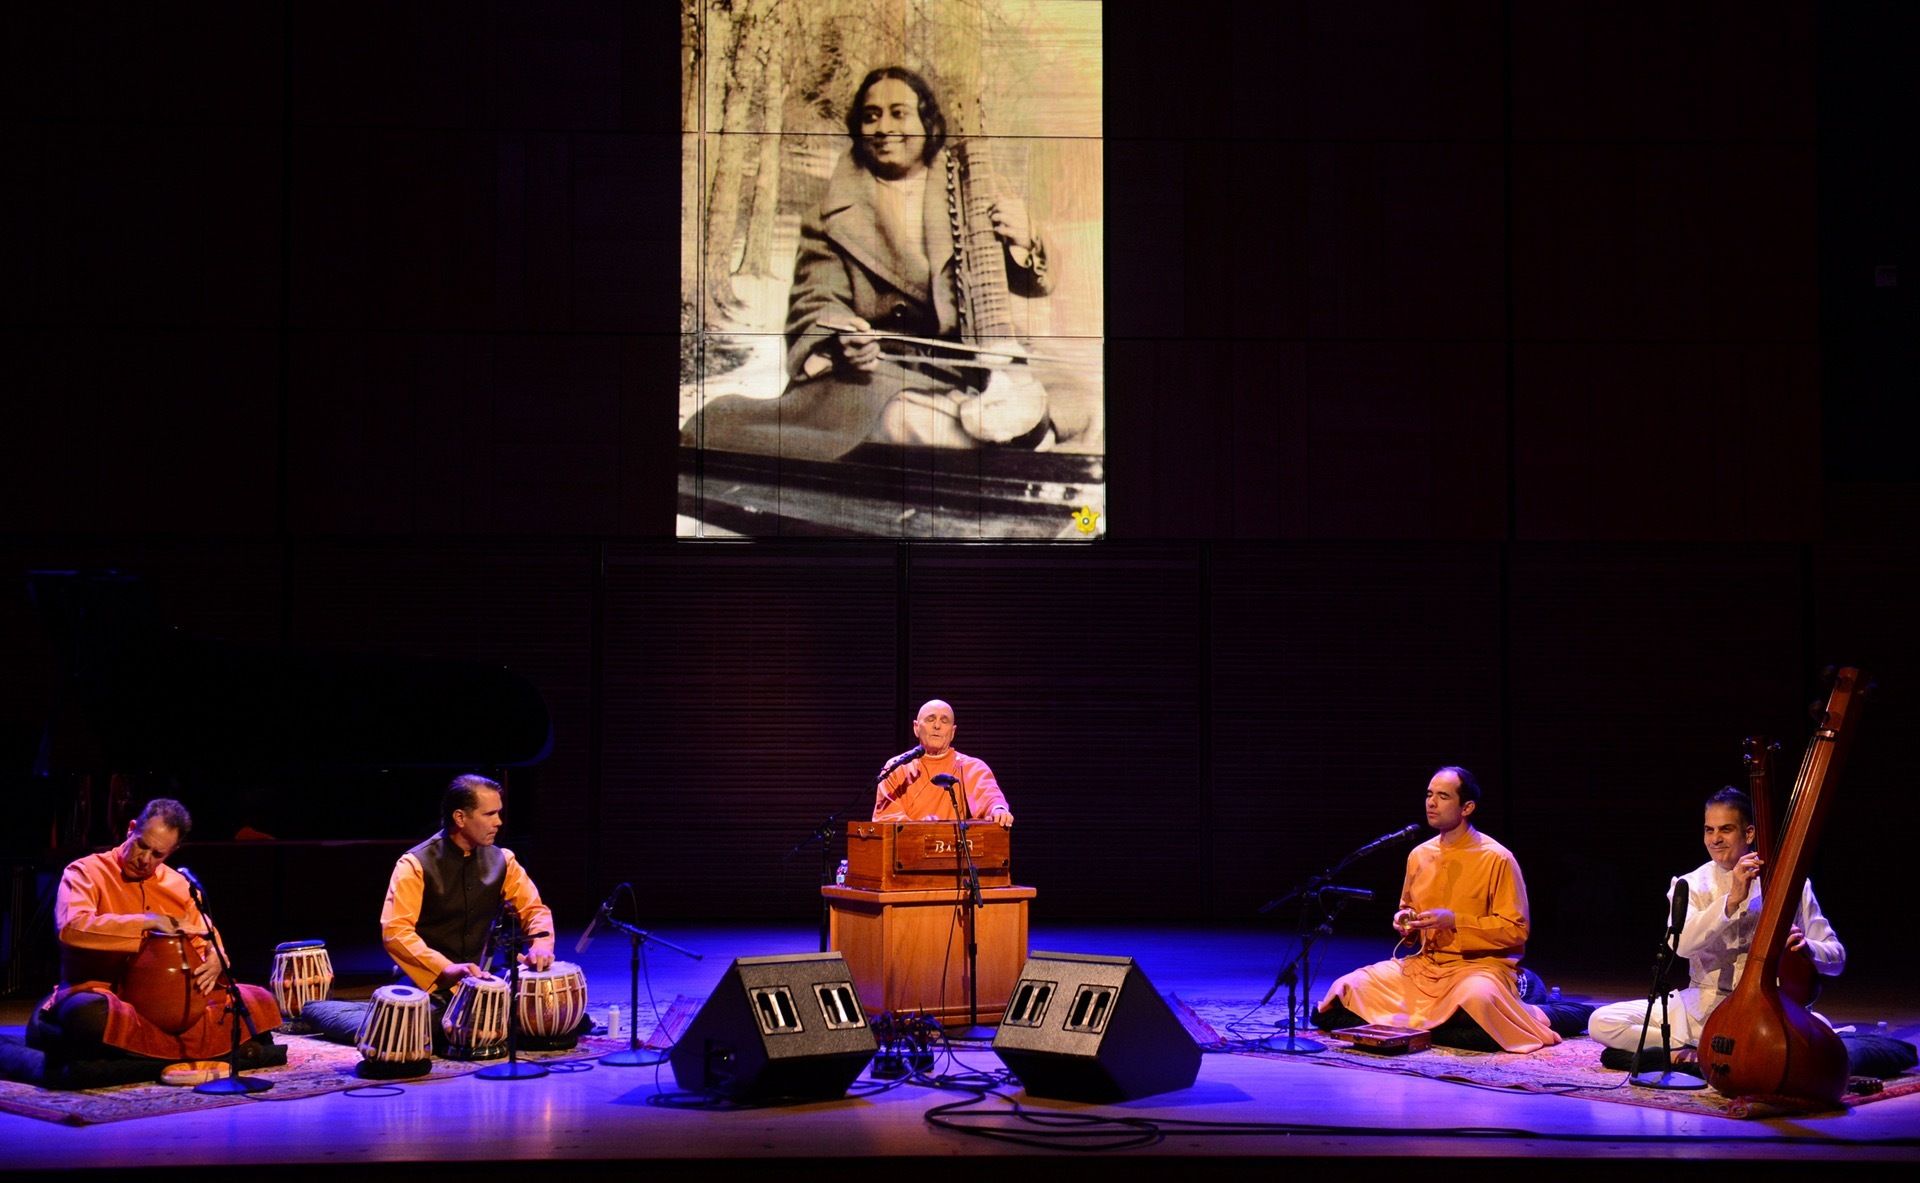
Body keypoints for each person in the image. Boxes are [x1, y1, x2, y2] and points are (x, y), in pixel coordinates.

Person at [684, 66, 1063, 461]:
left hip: (977, 369)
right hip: (882, 378)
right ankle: (1009, 438)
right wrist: (843, 339)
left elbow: (1029, 282)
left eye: (899, 113)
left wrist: (1027, 238)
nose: (883, 127)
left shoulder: (973, 183)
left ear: (927, 122)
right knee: (909, 421)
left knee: (1082, 400)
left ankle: (1007, 432)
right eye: (871, 116)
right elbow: (816, 302)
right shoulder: (831, 215)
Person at [1314, 767, 1577, 1053]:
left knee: (1477, 1004)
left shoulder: (1497, 858)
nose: (1431, 803)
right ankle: (1441, 1027)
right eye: (1429, 795)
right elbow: (1409, 909)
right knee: (1345, 992)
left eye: (1442, 796)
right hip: (1424, 968)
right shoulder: (1419, 855)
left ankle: (1556, 1013)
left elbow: (1516, 929)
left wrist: (1454, 922)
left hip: (1477, 970)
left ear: (1467, 807)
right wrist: (1406, 923)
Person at [1588, 787, 1844, 1060]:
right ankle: (1704, 1050)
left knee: (1822, 1038)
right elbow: (1681, 946)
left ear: (1749, 834)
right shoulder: (1689, 884)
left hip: (1767, 1010)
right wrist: (1730, 902)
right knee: (1602, 1022)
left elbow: (1837, 959)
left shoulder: (1791, 884)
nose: (1715, 839)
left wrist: (1807, 949)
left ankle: (1709, 1051)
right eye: (1709, 830)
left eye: (1726, 829)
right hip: (1702, 1009)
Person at [28, 798, 283, 1063]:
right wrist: (148, 920)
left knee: (260, 1000)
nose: (144, 859)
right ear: (131, 829)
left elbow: (204, 933)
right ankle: (219, 1052)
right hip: (105, 995)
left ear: (172, 851)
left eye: (158, 854)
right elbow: (71, 929)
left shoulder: (179, 885)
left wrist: (217, 956)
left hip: (167, 1004)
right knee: (87, 1017)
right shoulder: (84, 872)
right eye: (141, 845)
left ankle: (139, 1058)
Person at [380, 774, 557, 997]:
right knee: (435, 1025)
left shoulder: (503, 861)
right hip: (431, 980)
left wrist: (540, 947)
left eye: (499, 813)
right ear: (460, 817)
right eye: (490, 814)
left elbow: (534, 910)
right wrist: (446, 967)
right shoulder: (414, 865)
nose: (499, 822)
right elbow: (396, 932)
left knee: (551, 1012)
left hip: (479, 976)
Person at [873, 699, 1014, 827]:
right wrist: (918, 827)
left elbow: (990, 796)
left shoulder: (972, 767)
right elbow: (886, 817)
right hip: (907, 852)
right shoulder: (896, 767)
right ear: (916, 728)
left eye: (944, 721)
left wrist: (998, 809)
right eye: (930, 719)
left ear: (952, 732)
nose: (937, 725)